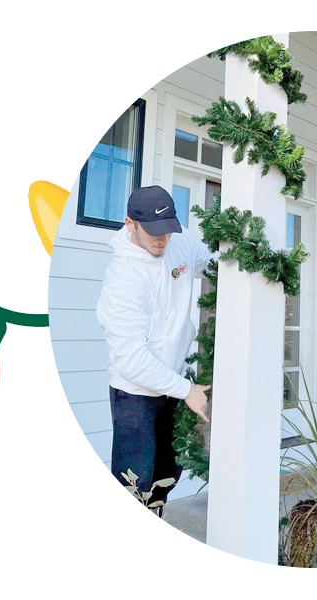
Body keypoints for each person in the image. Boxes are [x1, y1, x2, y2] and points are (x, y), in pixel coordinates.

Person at [97, 185, 216, 518]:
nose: (163, 240)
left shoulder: (178, 242)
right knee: (133, 483)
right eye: (154, 233)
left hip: (172, 383)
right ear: (130, 224)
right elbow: (132, 360)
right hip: (133, 393)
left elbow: (211, 260)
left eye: (168, 231)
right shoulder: (122, 279)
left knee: (168, 472)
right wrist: (187, 390)